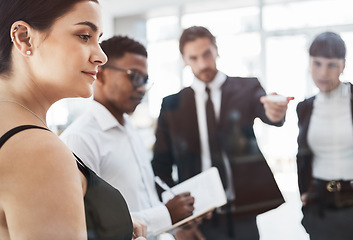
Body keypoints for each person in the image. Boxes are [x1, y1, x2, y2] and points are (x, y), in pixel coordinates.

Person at [0, 1, 146, 239]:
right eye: (84, 36)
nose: (101, 56)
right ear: (24, 38)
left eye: (98, 39)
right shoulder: (38, 151)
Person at [152, 26, 292, 240]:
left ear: (216, 50)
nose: (203, 64)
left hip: (242, 211)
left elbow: (270, 115)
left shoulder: (247, 88)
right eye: (194, 57)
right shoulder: (172, 105)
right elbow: (160, 166)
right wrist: (177, 222)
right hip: (198, 217)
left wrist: (275, 111)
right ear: (184, 60)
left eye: (207, 54)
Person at [60, 35, 198, 240]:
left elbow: (145, 200)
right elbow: (85, 224)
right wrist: (166, 214)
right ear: (102, 75)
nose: (142, 88)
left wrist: (177, 227)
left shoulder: (129, 128)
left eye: (145, 80)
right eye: (134, 76)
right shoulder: (80, 139)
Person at [296, 32, 353, 240]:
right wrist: (304, 191)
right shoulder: (305, 107)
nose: (323, 72)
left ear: (343, 66)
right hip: (320, 203)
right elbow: (303, 154)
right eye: (317, 63)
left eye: (331, 65)